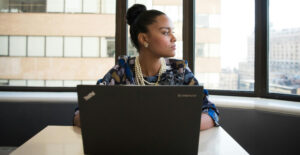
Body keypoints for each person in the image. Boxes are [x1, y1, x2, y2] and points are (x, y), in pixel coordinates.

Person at [73, 4, 219, 130]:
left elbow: (211, 111)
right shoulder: (121, 71)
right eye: (165, 32)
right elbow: (81, 113)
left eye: (172, 32)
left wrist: (177, 126)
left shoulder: (179, 71)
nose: (174, 38)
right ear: (144, 38)